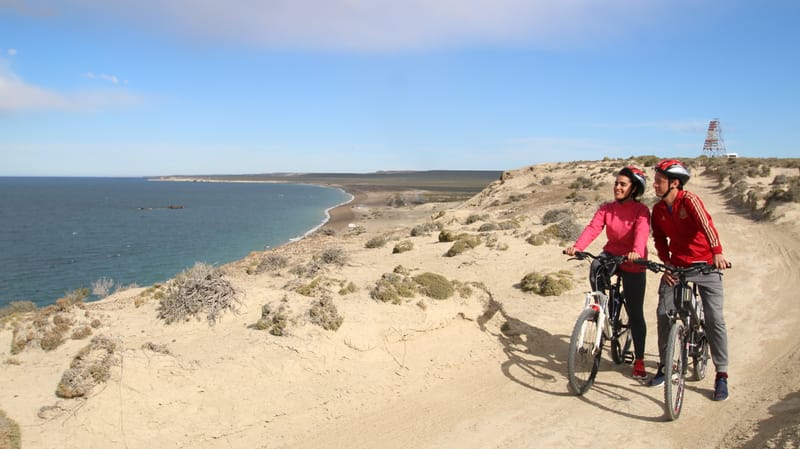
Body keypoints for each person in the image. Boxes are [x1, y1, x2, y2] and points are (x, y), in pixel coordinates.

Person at [648, 159, 731, 401]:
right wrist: (666, 263)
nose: (655, 185)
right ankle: (666, 365)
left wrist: (717, 253)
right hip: (677, 267)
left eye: (659, 181)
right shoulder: (658, 210)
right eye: (655, 181)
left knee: (714, 319)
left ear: (674, 183)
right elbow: (659, 239)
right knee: (664, 313)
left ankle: (721, 374)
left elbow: (707, 224)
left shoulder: (689, 200)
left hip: (706, 266)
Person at [565, 166, 651, 379]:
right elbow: (593, 228)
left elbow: (642, 232)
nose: (617, 187)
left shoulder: (640, 211)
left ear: (633, 189)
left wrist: (636, 251)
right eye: (616, 183)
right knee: (596, 266)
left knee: (636, 313)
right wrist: (578, 247)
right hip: (612, 255)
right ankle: (601, 309)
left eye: (623, 184)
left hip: (633, 261)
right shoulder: (607, 208)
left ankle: (639, 360)